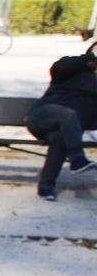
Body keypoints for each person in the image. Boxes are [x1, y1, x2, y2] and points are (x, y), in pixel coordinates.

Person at [27, 48, 97, 201]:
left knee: (60, 139)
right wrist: (87, 58)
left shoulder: (94, 83)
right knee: (68, 114)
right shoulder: (69, 71)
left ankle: (46, 188)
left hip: (63, 128)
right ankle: (77, 158)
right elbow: (58, 67)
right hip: (42, 117)